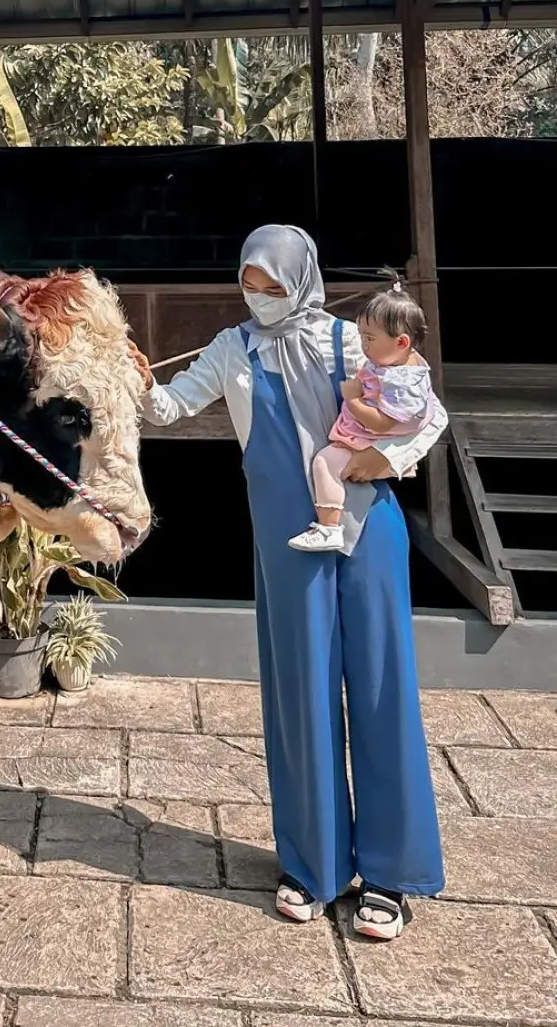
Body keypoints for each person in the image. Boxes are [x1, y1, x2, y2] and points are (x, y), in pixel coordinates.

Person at [137, 225, 446, 940]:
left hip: (367, 531)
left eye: (274, 285)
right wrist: (128, 375)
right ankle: (313, 866)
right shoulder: (230, 350)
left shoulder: (349, 340)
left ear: (302, 279)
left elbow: (428, 409)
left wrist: (388, 460)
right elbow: (169, 407)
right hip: (286, 544)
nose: (262, 297)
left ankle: (392, 874)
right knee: (299, 697)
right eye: (251, 283)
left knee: (380, 689)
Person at [291, 283, 435, 553]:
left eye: (369, 338)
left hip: (364, 442)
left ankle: (329, 527)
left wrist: (353, 398)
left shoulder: (401, 383)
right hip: (363, 441)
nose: (363, 345)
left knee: (324, 462)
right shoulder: (401, 363)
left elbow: (381, 422)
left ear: (402, 342)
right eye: (362, 336)